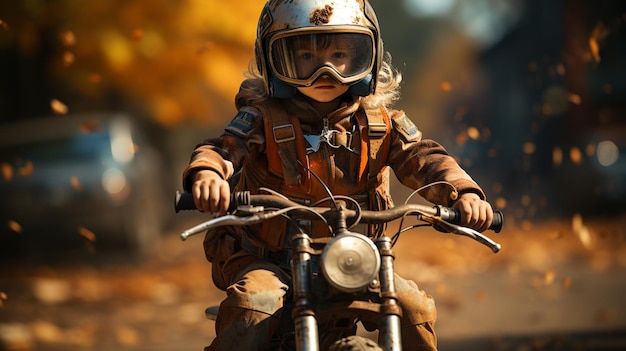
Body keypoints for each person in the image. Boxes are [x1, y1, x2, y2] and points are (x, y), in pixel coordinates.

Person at [182, 0, 494, 350]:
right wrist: (208, 175)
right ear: (274, 61)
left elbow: (424, 158)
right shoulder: (262, 120)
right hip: (272, 260)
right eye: (305, 58)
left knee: (412, 306)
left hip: (355, 256)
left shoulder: (381, 123)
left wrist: (464, 193)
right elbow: (224, 148)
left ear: (367, 57)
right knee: (254, 304)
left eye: (341, 56)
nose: (325, 72)